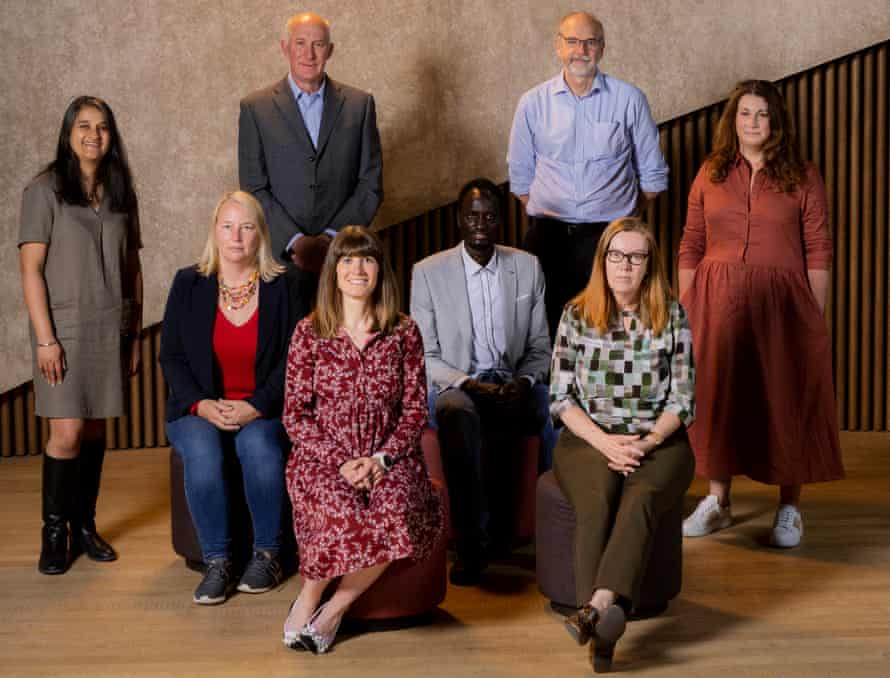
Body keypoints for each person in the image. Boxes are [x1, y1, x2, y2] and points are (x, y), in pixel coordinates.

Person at [678, 80, 844, 548]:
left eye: (762, 114)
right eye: (745, 114)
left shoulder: (803, 175)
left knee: (787, 399)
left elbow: (819, 248)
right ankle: (717, 501)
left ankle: (789, 507)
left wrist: (813, 313)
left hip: (783, 305)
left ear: (777, 121)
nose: (753, 123)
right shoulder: (710, 172)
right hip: (715, 300)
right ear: (733, 120)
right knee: (718, 398)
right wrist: (688, 308)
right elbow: (691, 243)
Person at [281, 226, 443, 654]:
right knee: (338, 513)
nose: (357, 268)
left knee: (397, 511)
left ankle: (334, 608)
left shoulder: (404, 331)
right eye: (348, 259)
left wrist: (381, 459)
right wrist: (341, 462)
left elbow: (414, 411)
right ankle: (308, 598)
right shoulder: (308, 332)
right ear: (333, 271)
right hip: (322, 460)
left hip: (391, 458)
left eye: (367, 259)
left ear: (380, 270)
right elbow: (295, 415)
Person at [550, 217, 695, 673]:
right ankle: (603, 628)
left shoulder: (671, 315)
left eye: (635, 257)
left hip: (660, 440)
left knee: (641, 498)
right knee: (596, 500)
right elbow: (560, 397)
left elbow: (684, 398)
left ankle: (596, 608)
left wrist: (646, 441)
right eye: (616, 255)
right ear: (603, 261)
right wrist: (605, 443)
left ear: (649, 265)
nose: (625, 266)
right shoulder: (576, 313)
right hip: (587, 438)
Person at [159, 191, 306, 604]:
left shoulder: (286, 284)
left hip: (262, 404)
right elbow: (170, 356)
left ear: (261, 235)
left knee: (259, 446)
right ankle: (218, 561)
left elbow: (296, 359)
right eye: (227, 226)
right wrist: (202, 405)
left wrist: (257, 405)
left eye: (247, 227)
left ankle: (268, 555)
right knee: (203, 453)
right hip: (198, 406)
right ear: (214, 232)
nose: (236, 236)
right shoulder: (188, 282)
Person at [19, 96, 142, 575]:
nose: (94, 134)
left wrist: (133, 335)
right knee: (66, 431)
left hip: (109, 325)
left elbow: (133, 268)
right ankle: (55, 531)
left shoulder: (120, 191)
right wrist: (46, 338)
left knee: (94, 429)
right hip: (63, 329)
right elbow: (30, 271)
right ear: (68, 132)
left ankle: (85, 524)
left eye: (104, 127)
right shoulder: (44, 189)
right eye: (84, 125)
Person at [410, 178, 554, 586]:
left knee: (559, 407)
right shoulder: (428, 273)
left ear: (501, 221)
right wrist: (469, 384)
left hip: (513, 383)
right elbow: (427, 356)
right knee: (454, 412)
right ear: (459, 219)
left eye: (490, 216)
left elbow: (541, 346)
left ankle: (557, 537)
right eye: (472, 215)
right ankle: (473, 545)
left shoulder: (526, 267)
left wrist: (526, 381)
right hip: (461, 387)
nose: (480, 224)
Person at [507, 10, 668, 342]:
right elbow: (521, 180)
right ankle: (553, 396)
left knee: (608, 335)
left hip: (608, 238)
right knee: (544, 336)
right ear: (558, 46)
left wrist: (622, 218)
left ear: (602, 49)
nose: (581, 50)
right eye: (572, 41)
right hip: (547, 239)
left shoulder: (629, 100)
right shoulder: (532, 104)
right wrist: (554, 212)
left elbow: (654, 179)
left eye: (590, 42)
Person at [239, 11, 383, 300]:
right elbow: (254, 187)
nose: (309, 53)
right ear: (285, 47)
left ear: (330, 50)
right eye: (300, 43)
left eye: (318, 44)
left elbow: (371, 183)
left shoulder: (359, 105)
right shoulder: (255, 108)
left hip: (344, 262)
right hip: (279, 262)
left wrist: (333, 239)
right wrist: (296, 242)